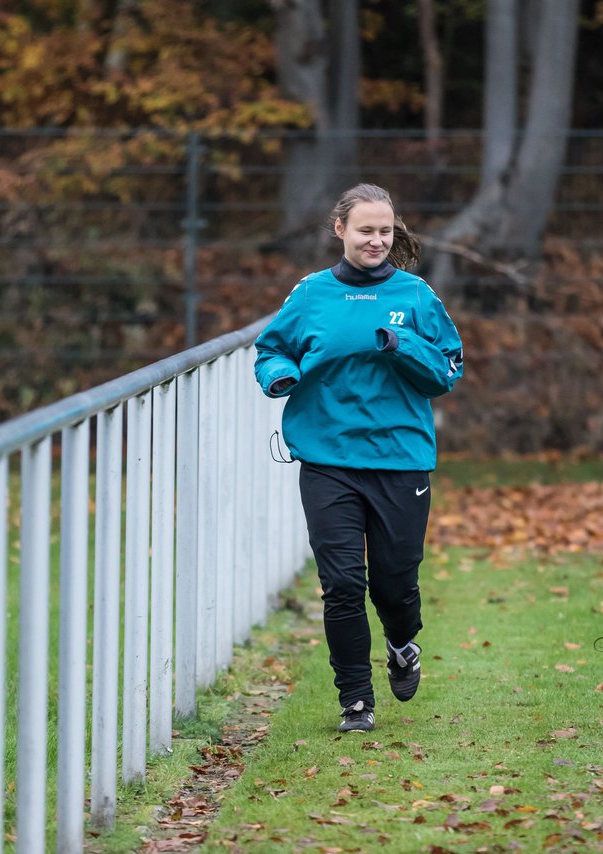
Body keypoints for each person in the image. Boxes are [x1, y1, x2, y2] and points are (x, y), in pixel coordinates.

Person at [254, 183, 464, 733]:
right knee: (342, 583)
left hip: (399, 458)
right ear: (340, 230)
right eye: (366, 230)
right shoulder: (310, 294)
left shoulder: (416, 296)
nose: (377, 240)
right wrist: (278, 375)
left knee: (393, 583)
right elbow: (272, 347)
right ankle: (355, 700)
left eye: (385, 231)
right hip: (327, 459)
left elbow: (447, 371)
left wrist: (400, 345)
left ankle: (401, 643)